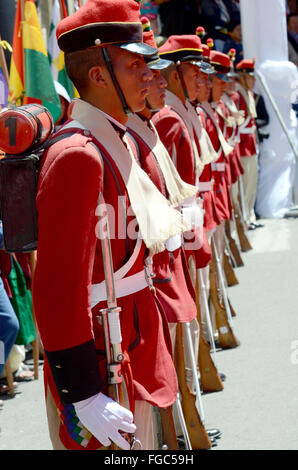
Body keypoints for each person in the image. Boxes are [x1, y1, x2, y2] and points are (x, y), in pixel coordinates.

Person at [33, 0, 182, 451]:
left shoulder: (116, 137)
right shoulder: (79, 154)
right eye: (134, 64)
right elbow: (58, 287)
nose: (148, 75)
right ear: (98, 75)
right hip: (104, 360)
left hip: (135, 343)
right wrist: (81, 393)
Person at [235, 58, 261, 229]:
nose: (253, 80)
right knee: (244, 185)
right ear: (243, 77)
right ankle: (244, 220)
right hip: (242, 143)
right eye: (250, 77)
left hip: (251, 143)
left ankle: (250, 216)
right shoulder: (238, 95)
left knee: (252, 183)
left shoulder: (249, 93)